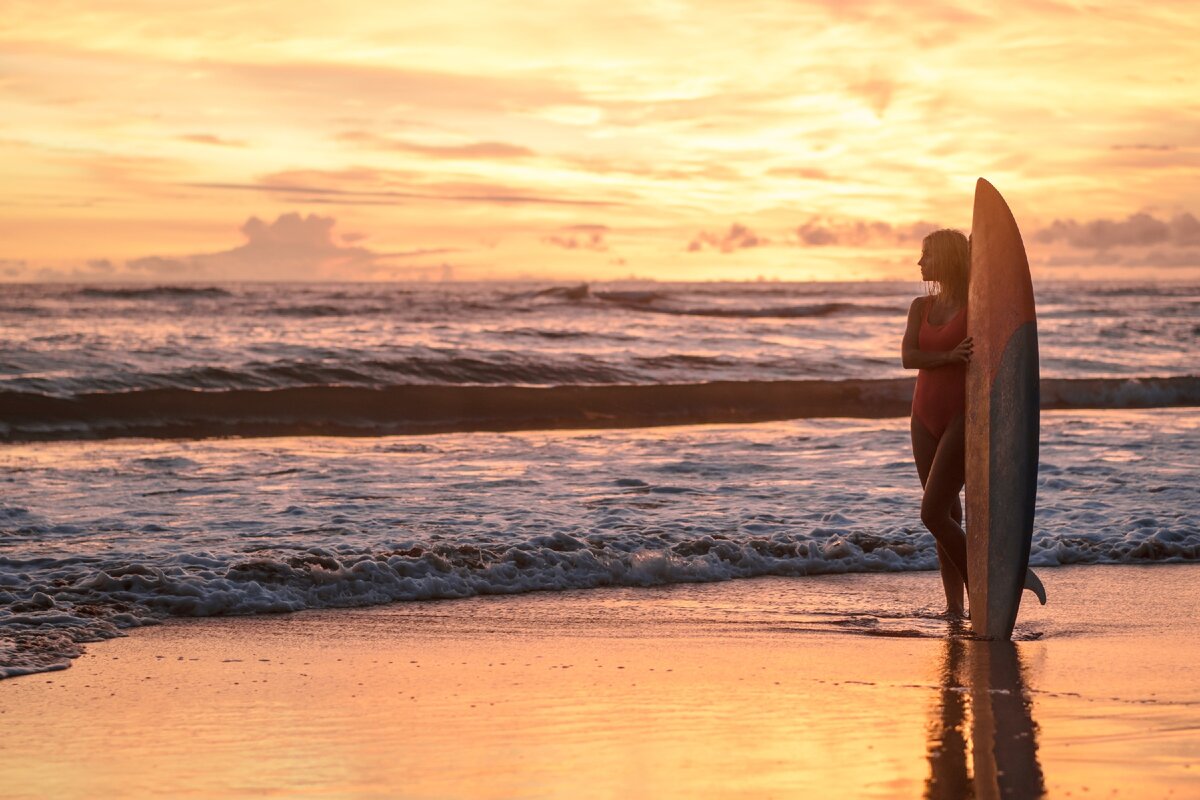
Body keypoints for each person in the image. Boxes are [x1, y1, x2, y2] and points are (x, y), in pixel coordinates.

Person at [901, 229, 1045, 617]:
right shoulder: (920, 306)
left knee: (932, 514)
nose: (920, 262)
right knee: (946, 517)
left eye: (927, 254)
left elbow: (998, 352)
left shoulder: (977, 306)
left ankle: (987, 588)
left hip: (962, 417)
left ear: (948, 258)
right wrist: (949, 356)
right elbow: (908, 357)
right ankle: (954, 608)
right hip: (922, 416)